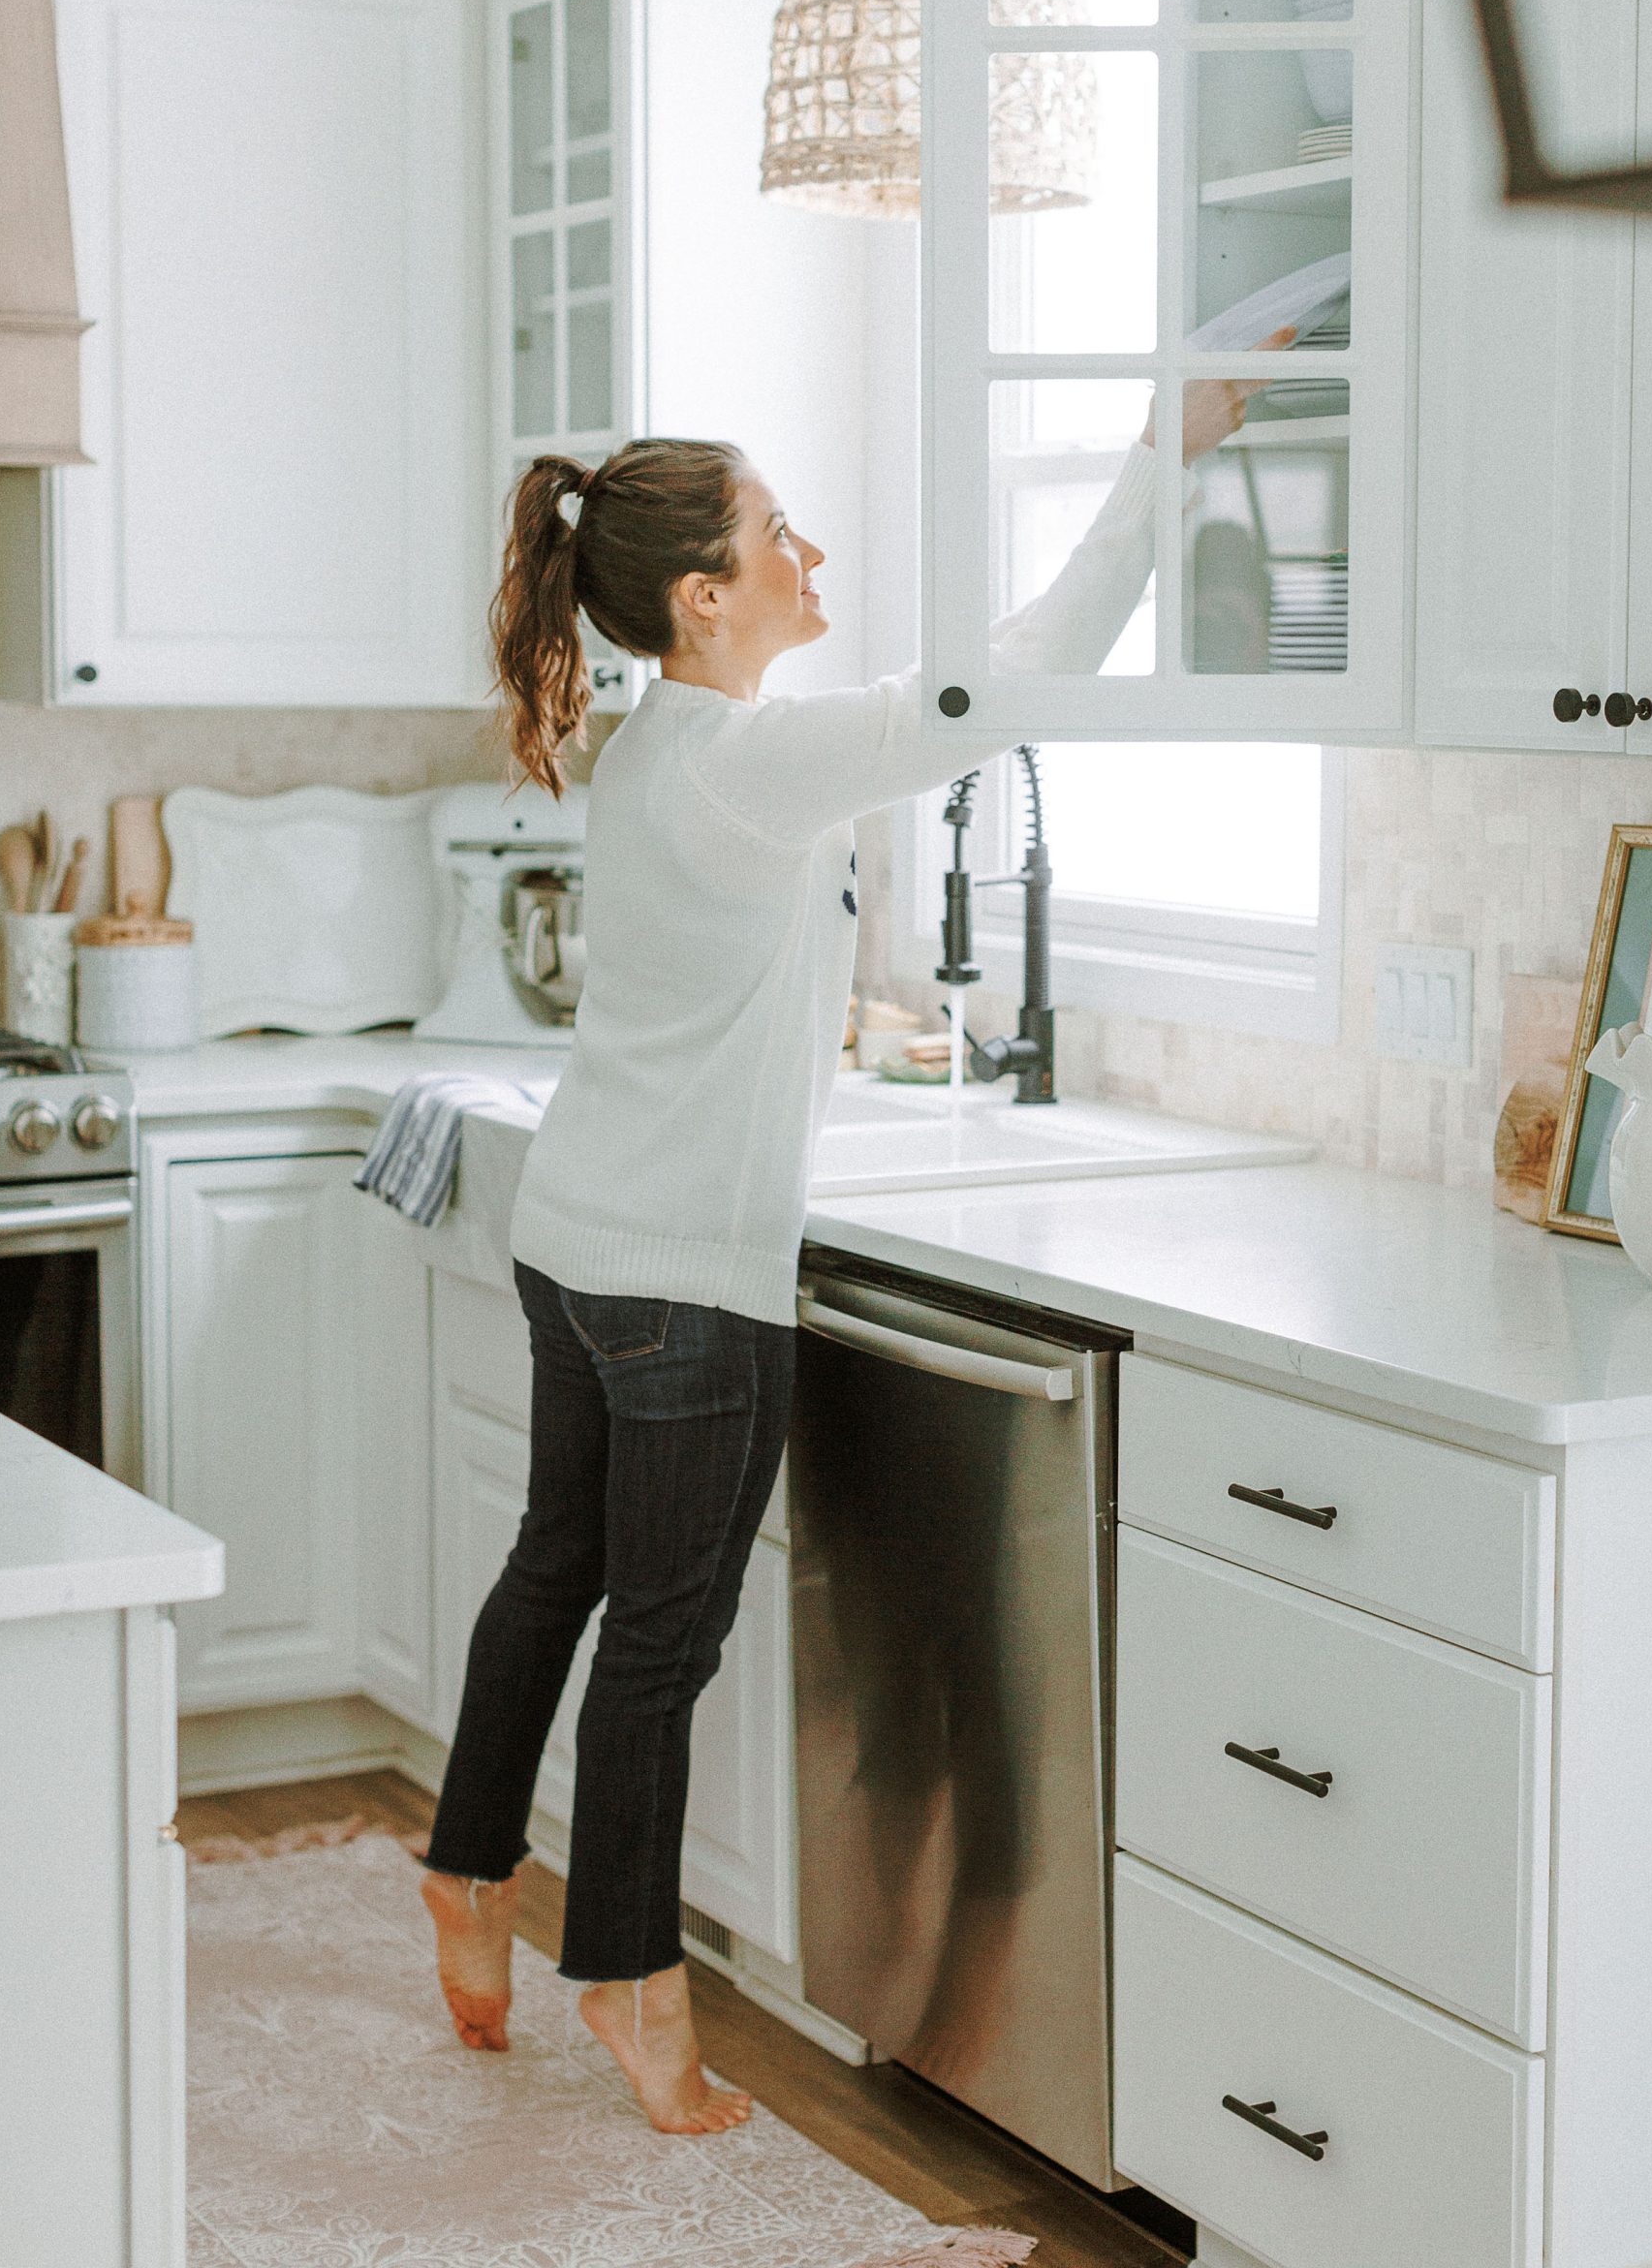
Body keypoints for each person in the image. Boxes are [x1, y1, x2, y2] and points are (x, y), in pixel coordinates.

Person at [419, 342, 1289, 2137]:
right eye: (780, 532)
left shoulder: (662, 748)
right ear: (704, 593)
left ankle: (468, 1869)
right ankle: (632, 1986)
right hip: (673, 1277)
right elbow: (1011, 686)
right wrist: (1155, 454)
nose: (813, 554)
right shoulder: (749, 755)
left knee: (550, 1575)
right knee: (657, 1643)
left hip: (577, 1234)